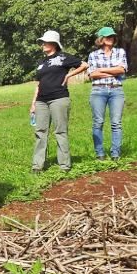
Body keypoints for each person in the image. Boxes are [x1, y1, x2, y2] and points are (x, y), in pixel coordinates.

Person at [29, 31, 89, 173]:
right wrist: (33, 103)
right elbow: (38, 84)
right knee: (40, 132)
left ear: (54, 43)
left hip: (59, 98)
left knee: (60, 131)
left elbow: (84, 65)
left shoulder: (64, 57)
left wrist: (69, 74)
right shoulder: (41, 63)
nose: (42, 44)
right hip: (41, 101)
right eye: (42, 42)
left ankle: (64, 166)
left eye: (45, 42)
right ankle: (37, 165)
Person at [88, 27, 128, 161]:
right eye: (107, 36)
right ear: (101, 39)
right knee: (98, 122)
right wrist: (113, 71)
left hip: (116, 90)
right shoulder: (93, 55)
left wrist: (102, 70)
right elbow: (92, 74)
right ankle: (100, 153)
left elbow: (122, 69)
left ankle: (115, 154)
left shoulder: (120, 52)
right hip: (98, 90)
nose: (110, 38)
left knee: (116, 122)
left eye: (112, 36)